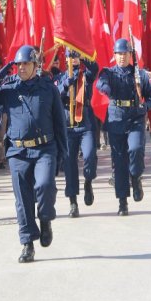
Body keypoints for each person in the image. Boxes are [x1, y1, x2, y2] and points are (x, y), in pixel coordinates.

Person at [0, 45, 67, 263]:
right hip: (18, 151)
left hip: (45, 148)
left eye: (25, 63)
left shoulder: (48, 88)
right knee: (22, 200)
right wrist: (0, 74)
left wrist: (62, 154)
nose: (21, 68)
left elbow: (59, 123)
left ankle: (45, 219)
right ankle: (27, 244)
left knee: (44, 185)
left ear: (35, 65)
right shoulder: (8, 88)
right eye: (18, 64)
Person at [96, 39, 151, 216]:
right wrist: (106, 88)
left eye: (125, 53)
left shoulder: (140, 74)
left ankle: (136, 177)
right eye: (119, 53)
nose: (122, 57)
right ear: (114, 55)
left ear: (131, 55)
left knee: (136, 149)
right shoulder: (108, 73)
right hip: (116, 118)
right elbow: (101, 84)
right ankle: (122, 201)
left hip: (135, 118)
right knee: (119, 161)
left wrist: (145, 107)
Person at [55, 48, 99, 218]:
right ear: (65, 59)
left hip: (85, 123)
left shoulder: (85, 75)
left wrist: (83, 56)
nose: (73, 59)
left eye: (75, 56)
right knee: (69, 165)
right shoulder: (60, 78)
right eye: (70, 56)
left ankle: (88, 180)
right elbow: (56, 94)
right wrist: (67, 83)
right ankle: (73, 202)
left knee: (89, 155)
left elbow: (95, 68)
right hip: (67, 125)